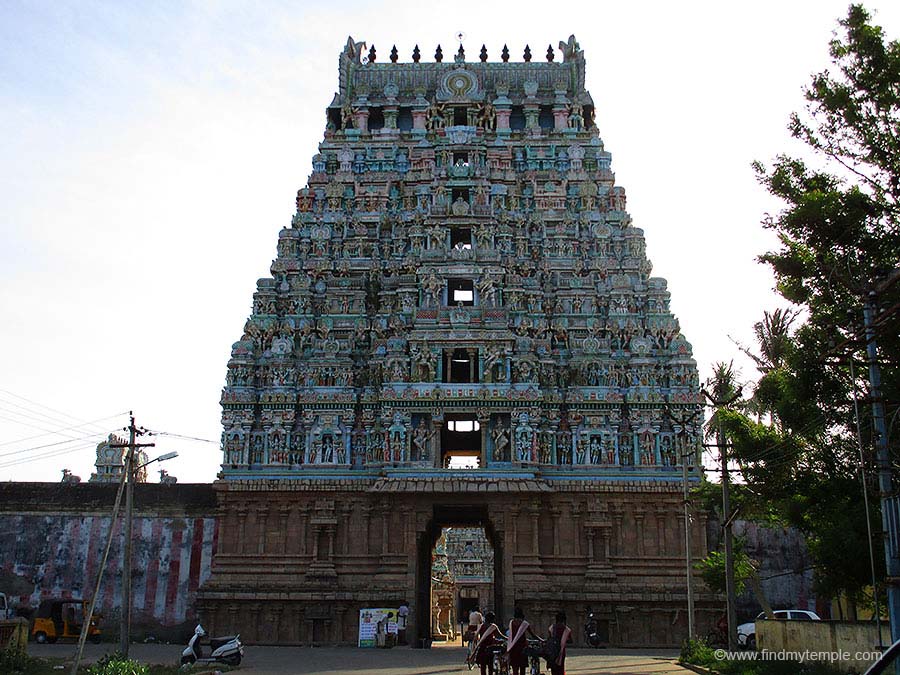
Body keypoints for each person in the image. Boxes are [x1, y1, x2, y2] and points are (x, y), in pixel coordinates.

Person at [507, 607, 542, 675]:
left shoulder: (511, 622)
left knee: (515, 668)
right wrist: (541, 640)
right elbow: (533, 634)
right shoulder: (524, 623)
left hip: (513, 648)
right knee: (522, 668)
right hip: (522, 648)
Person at [472, 610, 504, 675]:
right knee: (490, 665)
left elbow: (476, 637)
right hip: (490, 648)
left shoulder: (481, 626)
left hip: (482, 648)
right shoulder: (493, 626)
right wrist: (509, 638)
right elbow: (500, 635)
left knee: (483, 666)